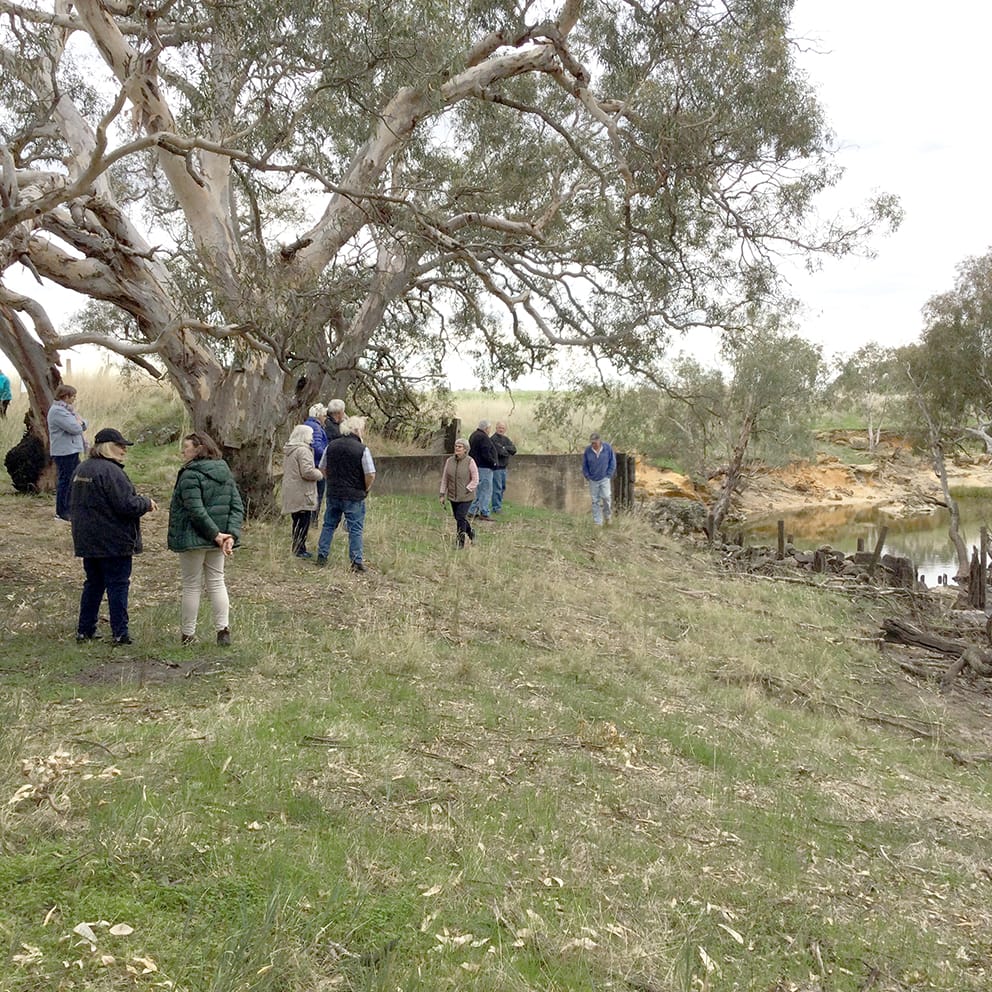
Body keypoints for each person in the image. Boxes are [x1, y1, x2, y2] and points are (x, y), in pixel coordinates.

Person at [70, 428, 157, 645]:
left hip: (87, 539)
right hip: (113, 540)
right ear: (107, 446)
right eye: (120, 446)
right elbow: (125, 505)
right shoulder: (111, 472)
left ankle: (85, 630)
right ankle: (120, 633)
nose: (124, 450)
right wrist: (145, 503)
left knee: (93, 583)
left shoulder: (81, 469)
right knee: (118, 585)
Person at [167, 430, 244, 646]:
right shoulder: (224, 471)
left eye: (187, 447)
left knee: (192, 585)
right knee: (217, 582)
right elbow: (236, 506)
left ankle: (188, 634)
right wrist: (229, 535)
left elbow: (195, 510)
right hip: (217, 538)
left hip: (195, 538)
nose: (183, 450)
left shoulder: (190, 474)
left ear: (199, 449)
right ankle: (223, 630)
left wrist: (219, 535)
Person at [316, 415, 375, 572]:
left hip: (334, 492)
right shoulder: (362, 449)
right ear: (357, 430)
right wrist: (365, 488)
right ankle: (356, 562)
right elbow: (370, 474)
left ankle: (322, 555)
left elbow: (322, 468)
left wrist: (332, 481)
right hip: (354, 494)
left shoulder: (331, 446)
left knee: (328, 524)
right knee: (355, 528)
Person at [282, 423, 324, 559]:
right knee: (303, 521)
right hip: (302, 491)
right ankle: (299, 549)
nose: (312, 438)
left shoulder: (290, 449)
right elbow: (307, 472)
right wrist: (320, 474)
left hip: (292, 490)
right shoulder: (303, 451)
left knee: (296, 521)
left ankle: (297, 547)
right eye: (310, 435)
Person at [47, 383, 88, 521]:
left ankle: (70, 507)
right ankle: (62, 511)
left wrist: (80, 423)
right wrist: (81, 424)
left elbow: (82, 423)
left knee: (72, 479)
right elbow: (75, 428)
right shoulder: (58, 411)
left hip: (71, 449)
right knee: (66, 480)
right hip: (64, 451)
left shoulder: (68, 411)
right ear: (65, 396)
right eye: (73, 396)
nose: (74, 399)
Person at [439, 438, 479, 548]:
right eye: (456, 446)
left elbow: (475, 479)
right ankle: (471, 533)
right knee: (458, 518)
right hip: (453, 496)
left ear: (465, 449)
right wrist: (442, 494)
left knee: (461, 517)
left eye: (460, 447)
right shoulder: (449, 461)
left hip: (466, 496)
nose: (457, 448)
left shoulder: (470, 461)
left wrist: (468, 489)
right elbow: (445, 479)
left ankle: (460, 542)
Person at [467, 420, 499, 521]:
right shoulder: (483, 437)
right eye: (489, 428)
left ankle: (472, 511)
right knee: (485, 490)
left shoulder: (474, 435)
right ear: (486, 428)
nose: (490, 430)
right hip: (484, 467)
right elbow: (486, 453)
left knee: (478, 489)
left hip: (476, 465)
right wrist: (493, 462)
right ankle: (484, 512)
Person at [582, 432, 617, 526]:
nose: (593, 445)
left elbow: (612, 462)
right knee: (595, 501)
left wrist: (608, 474)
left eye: (595, 443)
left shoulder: (607, 448)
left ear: (599, 441)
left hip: (604, 478)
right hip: (593, 479)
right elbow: (584, 465)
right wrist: (587, 476)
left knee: (606, 497)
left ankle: (607, 517)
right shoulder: (588, 451)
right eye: (592, 443)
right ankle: (597, 522)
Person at [303, 403, 329, 523]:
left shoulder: (306, 425)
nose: (325, 418)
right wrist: (327, 455)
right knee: (317, 494)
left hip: (308, 465)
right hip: (317, 465)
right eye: (324, 415)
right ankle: (313, 521)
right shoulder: (317, 428)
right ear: (318, 416)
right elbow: (317, 446)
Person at [490, 421, 517, 514]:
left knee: (502, 488)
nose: (501, 429)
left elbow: (513, 450)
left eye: (503, 428)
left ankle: (498, 506)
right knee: (497, 488)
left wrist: (505, 448)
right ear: (496, 428)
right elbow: (500, 453)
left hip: (504, 468)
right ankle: (496, 508)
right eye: (499, 427)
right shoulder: (493, 439)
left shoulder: (506, 439)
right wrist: (505, 450)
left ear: (505, 429)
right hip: (497, 468)